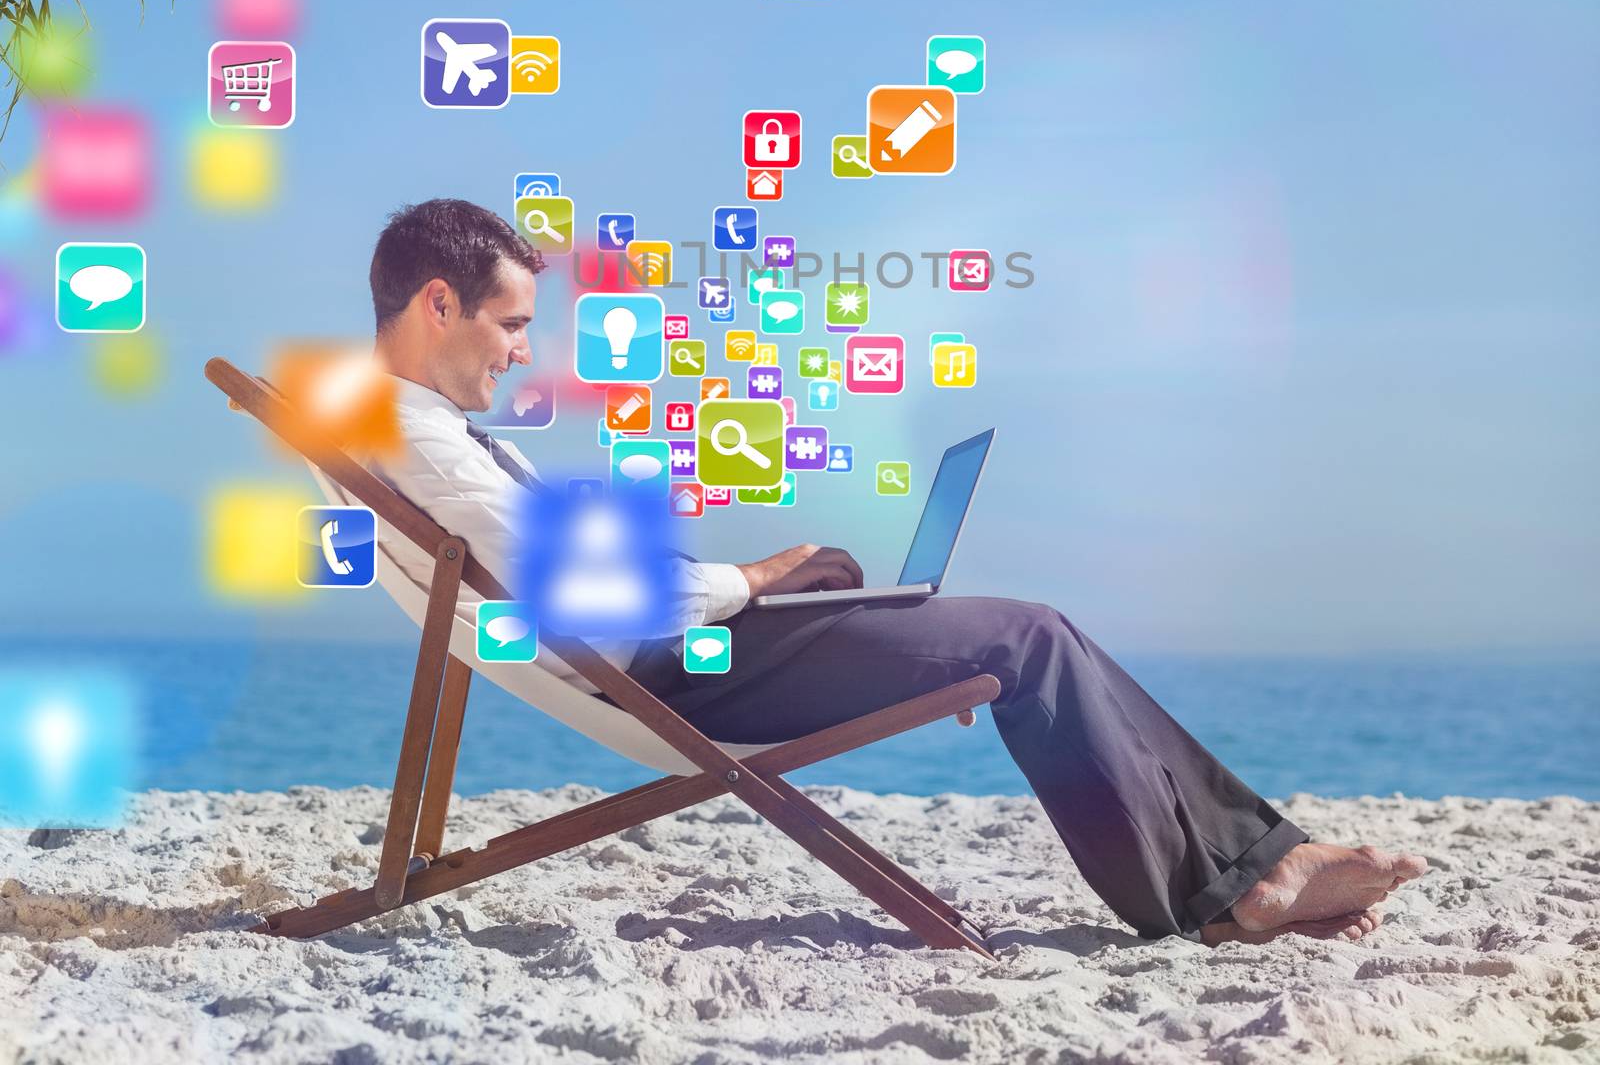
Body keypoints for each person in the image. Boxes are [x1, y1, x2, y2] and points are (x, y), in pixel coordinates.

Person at [368, 198, 1427, 946]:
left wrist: (790, 590)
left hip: (679, 651)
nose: (519, 351)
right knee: (1026, 638)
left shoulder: (413, 435)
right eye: (510, 324)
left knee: (915, 599)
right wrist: (747, 578)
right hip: (679, 668)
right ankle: (1227, 886)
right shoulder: (421, 444)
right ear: (438, 305)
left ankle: (1250, 862)